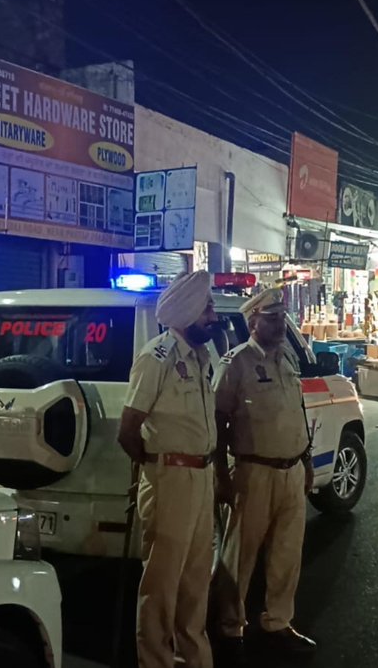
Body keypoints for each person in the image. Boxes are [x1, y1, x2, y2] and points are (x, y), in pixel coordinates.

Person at [118, 271, 219, 668]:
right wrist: (157, 468)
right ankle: (156, 659)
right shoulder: (155, 357)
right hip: (170, 479)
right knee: (162, 582)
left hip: (202, 476)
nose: (213, 315)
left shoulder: (200, 358)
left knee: (196, 578)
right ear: (188, 313)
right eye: (207, 308)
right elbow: (128, 430)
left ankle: (193, 657)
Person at [211, 288, 316, 661]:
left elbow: (296, 413)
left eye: (282, 318)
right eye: (272, 318)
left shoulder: (287, 358)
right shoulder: (235, 364)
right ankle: (230, 626)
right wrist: (221, 475)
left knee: (288, 554)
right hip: (253, 471)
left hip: (290, 471)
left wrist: (305, 461)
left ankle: (278, 621)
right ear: (253, 320)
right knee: (241, 554)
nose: (279, 325)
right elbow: (218, 423)